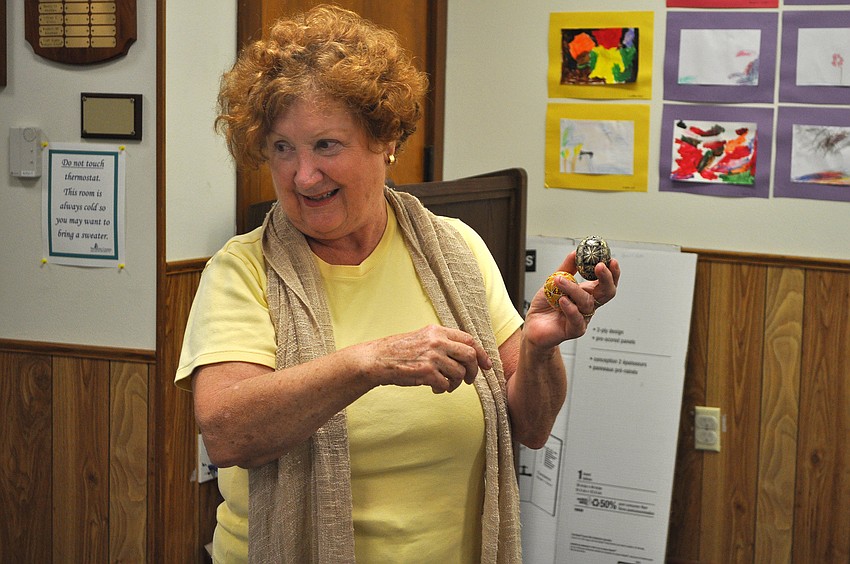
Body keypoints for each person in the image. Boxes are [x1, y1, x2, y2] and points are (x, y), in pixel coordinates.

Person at [175, 5, 620, 563]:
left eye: (326, 145)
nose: (302, 175)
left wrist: (536, 351)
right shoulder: (242, 271)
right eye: (282, 148)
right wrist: (371, 362)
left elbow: (529, 427)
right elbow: (227, 431)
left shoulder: (454, 249)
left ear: (384, 138)